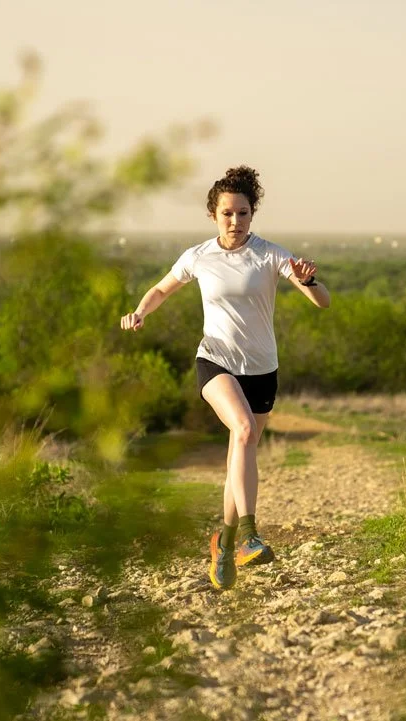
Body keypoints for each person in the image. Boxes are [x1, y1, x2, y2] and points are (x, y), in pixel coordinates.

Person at [120, 165, 330, 590]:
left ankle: (225, 539)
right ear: (213, 215)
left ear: (253, 214)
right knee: (243, 429)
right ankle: (251, 534)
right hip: (215, 361)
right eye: (227, 214)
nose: (236, 222)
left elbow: (322, 301)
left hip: (262, 368)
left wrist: (309, 281)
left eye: (243, 214)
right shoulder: (198, 256)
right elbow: (161, 289)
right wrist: (141, 311)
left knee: (244, 446)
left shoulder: (272, 254)